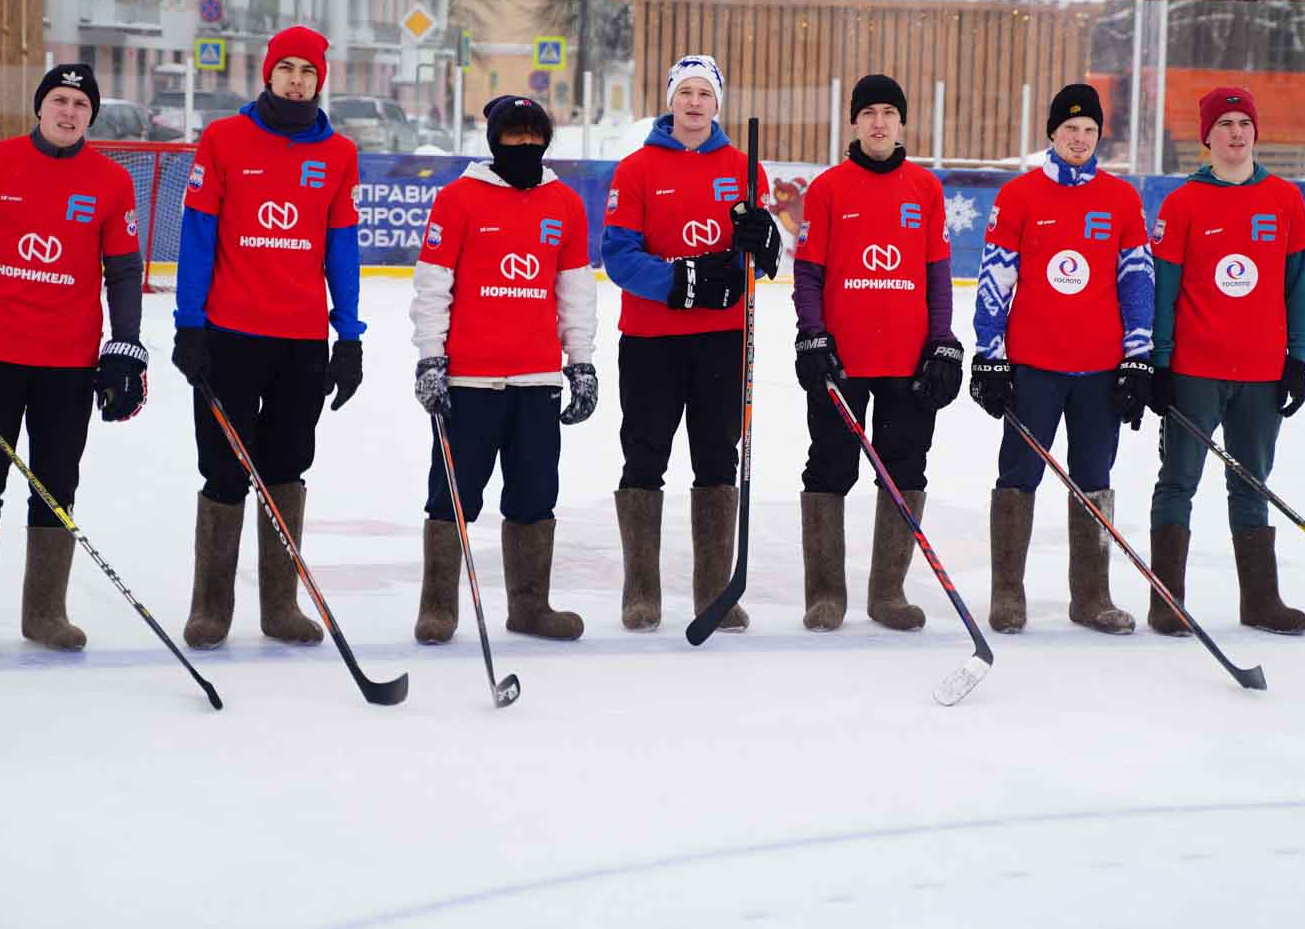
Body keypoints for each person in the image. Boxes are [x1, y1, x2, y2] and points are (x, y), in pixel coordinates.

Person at [0, 63, 148, 655]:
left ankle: (44, 613)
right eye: (60, 100)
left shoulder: (112, 181)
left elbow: (122, 270)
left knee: (57, 484)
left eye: (81, 106)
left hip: (68, 362)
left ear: (91, 116)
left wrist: (126, 346)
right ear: (41, 107)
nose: (69, 113)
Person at [171, 26, 364, 650]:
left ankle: (280, 607)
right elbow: (198, 237)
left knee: (286, 467)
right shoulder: (225, 139)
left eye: (308, 71)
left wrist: (349, 336)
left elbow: (342, 248)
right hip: (228, 337)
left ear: (320, 80)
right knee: (224, 470)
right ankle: (211, 609)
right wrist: (189, 325)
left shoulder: (337, 153)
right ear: (267, 74)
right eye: (286, 68)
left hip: (301, 342)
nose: (296, 80)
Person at [409, 94, 596, 643]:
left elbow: (576, 293)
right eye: (513, 137)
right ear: (493, 141)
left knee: (535, 495)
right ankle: (439, 607)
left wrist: (580, 363)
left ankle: (529, 607)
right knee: (453, 495)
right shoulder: (457, 199)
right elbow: (432, 287)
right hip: (469, 380)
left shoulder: (564, 204)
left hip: (536, 382)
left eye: (534, 137)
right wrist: (430, 358)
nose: (525, 146)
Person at [969, 82, 1154, 635]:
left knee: (1094, 476)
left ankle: (1091, 597)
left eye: (1089, 130)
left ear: (1100, 136)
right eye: (1070, 129)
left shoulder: (1120, 199)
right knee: (1018, 474)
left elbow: (1137, 281)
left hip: (1099, 368)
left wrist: (1139, 355)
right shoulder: (1021, 195)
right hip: (1034, 366)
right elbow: (996, 275)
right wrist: (990, 354)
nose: (1079, 138)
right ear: (1052, 132)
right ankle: (1008, 594)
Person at [601, 55, 777, 632]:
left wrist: (763, 243)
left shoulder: (744, 168)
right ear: (671, 100)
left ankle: (714, 592)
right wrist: (682, 284)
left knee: (716, 459)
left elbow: (757, 260)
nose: (695, 103)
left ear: (717, 104)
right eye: (686, 93)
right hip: (652, 340)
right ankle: (641, 593)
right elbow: (620, 257)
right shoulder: (637, 169)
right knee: (645, 455)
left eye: (705, 93)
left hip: (722, 342)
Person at [792, 74, 962, 631]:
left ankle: (887, 593)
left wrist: (942, 342)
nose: (879, 122)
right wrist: (812, 334)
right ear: (855, 121)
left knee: (905, 469)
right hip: (843, 361)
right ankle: (825, 595)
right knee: (829, 468)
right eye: (869, 112)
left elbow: (938, 277)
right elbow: (808, 273)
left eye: (889, 111)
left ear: (901, 121)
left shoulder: (925, 190)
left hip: (908, 362)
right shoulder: (828, 189)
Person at [1146, 86, 1305, 636]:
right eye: (1225, 124)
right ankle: (1167, 602)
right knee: (1179, 482)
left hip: (1263, 374)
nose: (1236, 133)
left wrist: (1298, 359)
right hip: (1196, 370)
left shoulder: (1284, 199)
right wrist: (1161, 363)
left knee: (1252, 484)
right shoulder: (1184, 203)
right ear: (1207, 136)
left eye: (1244, 122)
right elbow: (1164, 290)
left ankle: (1260, 601)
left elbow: (1298, 288)